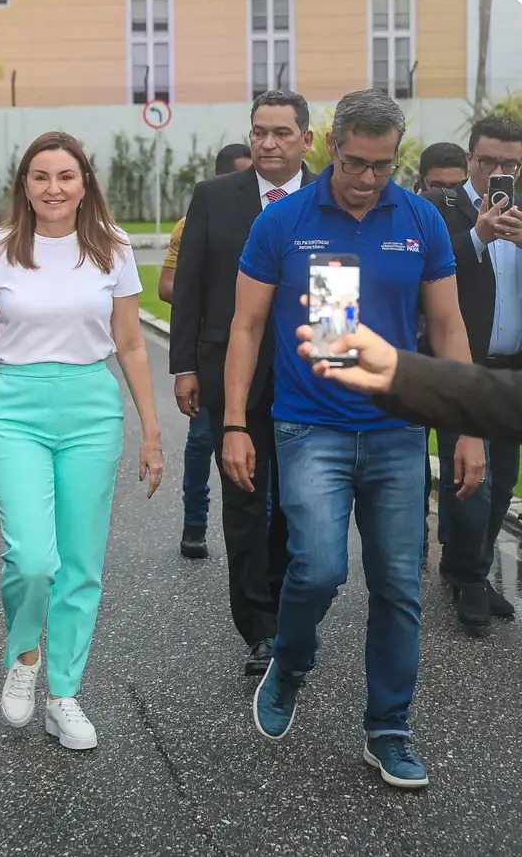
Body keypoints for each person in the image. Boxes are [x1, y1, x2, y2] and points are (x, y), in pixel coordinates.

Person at [226, 88, 480, 789]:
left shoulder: (421, 219)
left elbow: (450, 329)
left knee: (399, 584)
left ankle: (388, 728)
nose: (370, 179)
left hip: (399, 432)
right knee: (318, 568)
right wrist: (235, 424)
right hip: (311, 427)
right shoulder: (286, 223)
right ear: (330, 148)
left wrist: (468, 429)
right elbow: (246, 327)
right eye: (358, 163)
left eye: (384, 165)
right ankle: (293, 660)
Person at [0, 131, 163, 750]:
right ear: (25, 185)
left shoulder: (112, 248)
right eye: (40, 176)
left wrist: (151, 431)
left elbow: (130, 345)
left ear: (84, 183)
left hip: (92, 410)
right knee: (33, 558)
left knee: (80, 564)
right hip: (15, 407)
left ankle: (64, 692)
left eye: (66, 176)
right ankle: (24, 658)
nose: (53, 188)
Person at [170, 90, 315, 676]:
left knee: (300, 504)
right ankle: (259, 626)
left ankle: (289, 607)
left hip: (309, 375)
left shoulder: (329, 198)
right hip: (229, 370)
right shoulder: (214, 197)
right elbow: (191, 286)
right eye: (259, 131)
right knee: (246, 499)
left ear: (307, 139)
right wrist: (184, 365)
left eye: (281, 132)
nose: (268, 143)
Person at [418, 115, 522, 626]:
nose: (499, 172)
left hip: (512, 369)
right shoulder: (439, 207)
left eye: (511, 163)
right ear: (470, 159)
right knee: (467, 475)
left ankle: (469, 568)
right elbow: (425, 274)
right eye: (489, 162)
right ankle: (470, 578)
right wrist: (478, 237)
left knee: (503, 478)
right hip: (459, 366)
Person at [159, 142, 252, 558]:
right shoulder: (196, 219)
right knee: (202, 442)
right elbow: (168, 286)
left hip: (265, 354)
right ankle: (194, 523)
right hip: (212, 351)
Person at [298, 322, 522, 444]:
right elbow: (508, 398)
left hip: (397, 434)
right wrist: (397, 371)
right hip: (313, 420)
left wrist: (398, 372)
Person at [413, 141, 469, 556]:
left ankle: (453, 551)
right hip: (411, 360)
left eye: (455, 187)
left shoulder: (477, 215)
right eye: (437, 187)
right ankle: (411, 543)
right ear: (420, 182)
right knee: (411, 463)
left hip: (453, 355)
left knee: (457, 457)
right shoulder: (403, 216)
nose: (446, 196)